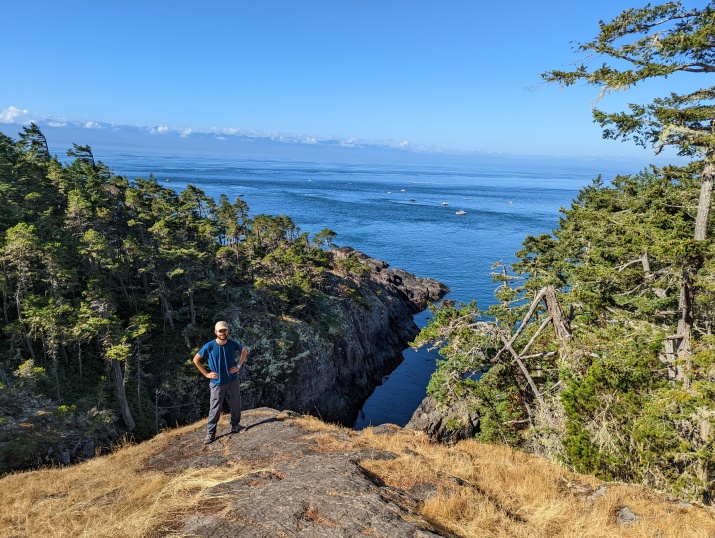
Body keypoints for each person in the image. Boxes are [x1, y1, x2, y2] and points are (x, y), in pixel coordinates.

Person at [192, 320, 247, 444]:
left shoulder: (233, 344)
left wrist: (238, 366)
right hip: (217, 382)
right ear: (215, 332)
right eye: (220, 331)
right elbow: (196, 360)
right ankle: (210, 434)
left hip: (232, 380)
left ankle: (235, 425)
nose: (222, 333)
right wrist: (206, 374)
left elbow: (244, 351)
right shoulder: (209, 346)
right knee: (215, 408)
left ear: (227, 331)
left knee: (236, 403)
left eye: (224, 330)